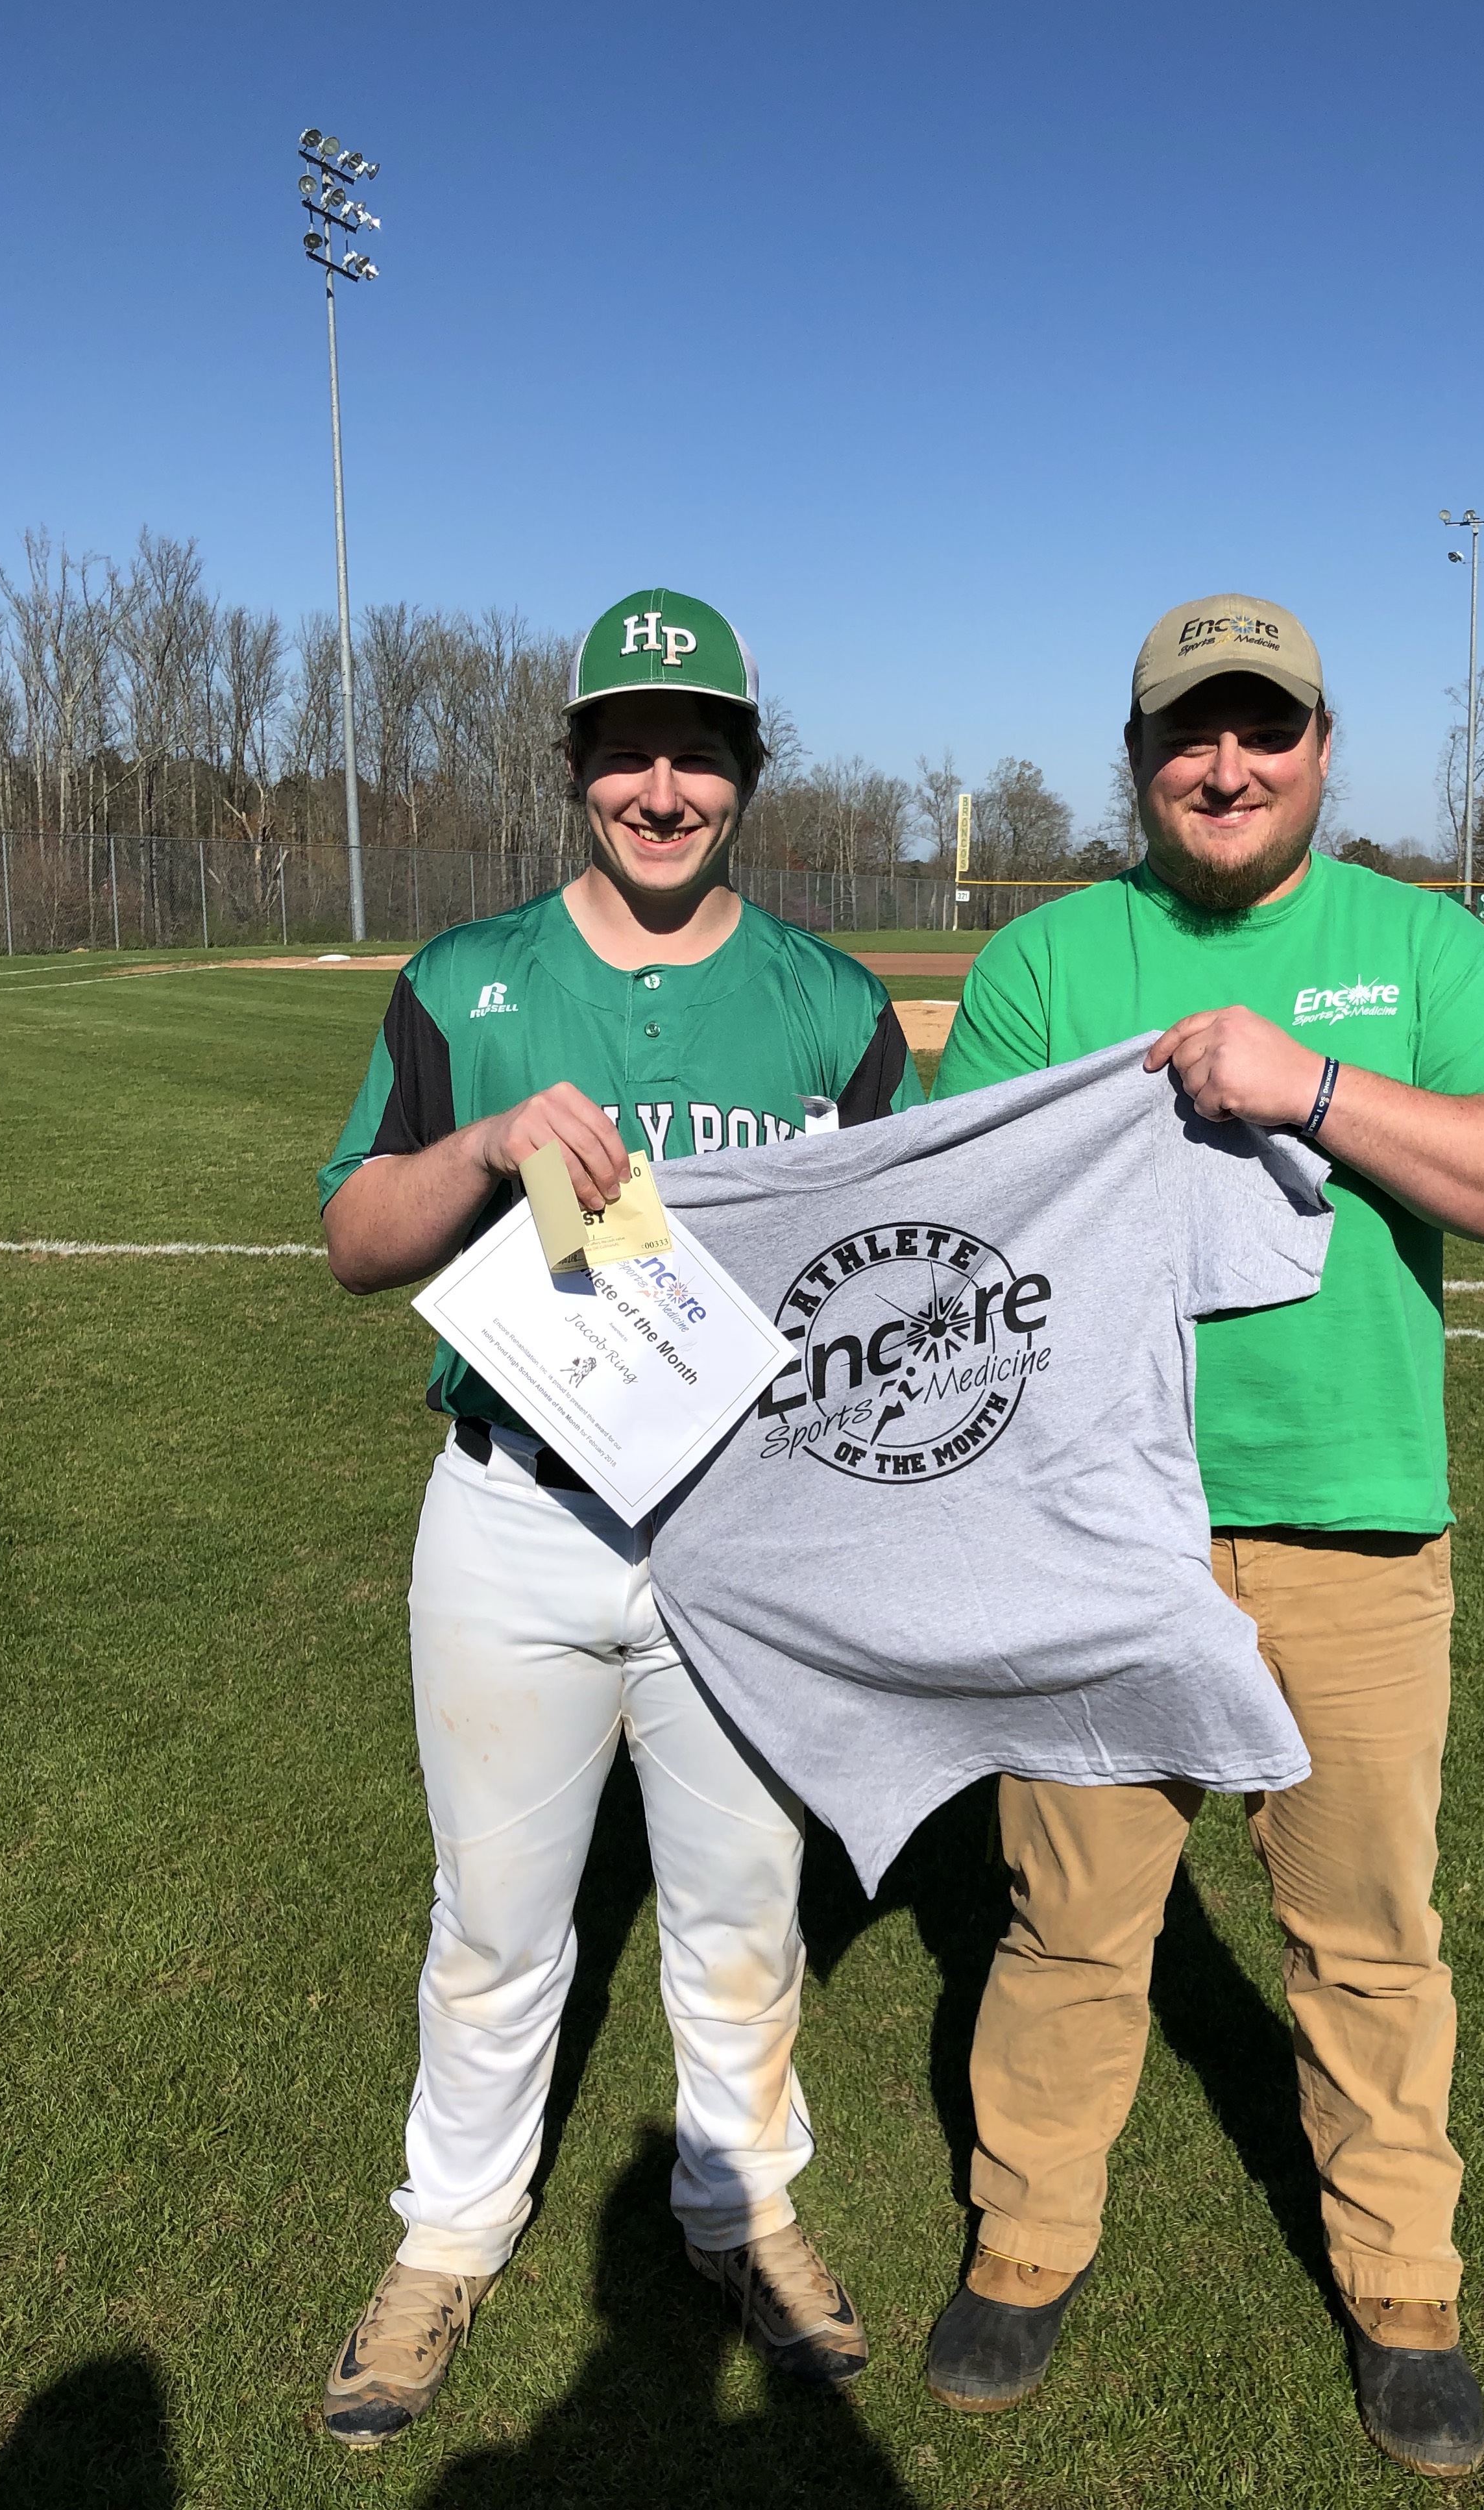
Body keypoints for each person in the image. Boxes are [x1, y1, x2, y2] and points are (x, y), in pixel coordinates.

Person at [924, 594, 1484, 2477]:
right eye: (1186, 735)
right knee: (1069, 1929)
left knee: (1370, 1939)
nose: (1226, 767)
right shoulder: (1052, 963)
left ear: (1318, 746)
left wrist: (1307, 1087)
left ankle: (1406, 2291)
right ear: (1138, 761)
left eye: (1263, 730)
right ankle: (1028, 2241)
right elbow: (958, 1236)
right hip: (1099, 1541)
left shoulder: (1420, 945)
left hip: (1361, 1540)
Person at [315, 589, 919, 2448]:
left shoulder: (827, 1000)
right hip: (514, 1510)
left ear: (746, 768)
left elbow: (904, 1269)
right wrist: (486, 1151)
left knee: (743, 1910)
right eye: (626, 749)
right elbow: (353, 1239)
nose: (663, 787)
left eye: (699, 750)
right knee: (498, 1922)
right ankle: (450, 2236)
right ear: (579, 765)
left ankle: (742, 2209)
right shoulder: (465, 977)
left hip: (740, 1533)